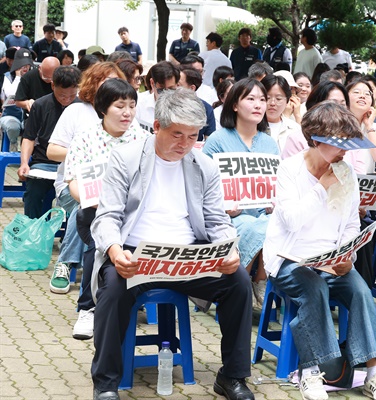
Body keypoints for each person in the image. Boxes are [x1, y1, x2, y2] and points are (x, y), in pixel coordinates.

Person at [89, 87, 255, 400]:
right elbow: (106, 217)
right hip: (136, 254)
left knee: (238, 281)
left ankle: (232, 376)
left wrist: (229, 249)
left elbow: (218, 221)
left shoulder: (203, 165)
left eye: (193, 136)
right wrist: (115, 250)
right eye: (177, 134)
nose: (185, 144)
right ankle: (106, 383)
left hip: (188, 255)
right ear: (156, 127)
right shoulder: (126, 158)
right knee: (113, 288)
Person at [263, 101, 376, 400]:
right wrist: (322, 187)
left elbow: (351, 222)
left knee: (361, 292)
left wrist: (346, 254)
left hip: (330, 259)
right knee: (314, 291)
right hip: (289, 259)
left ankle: (375, 373)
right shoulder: (289, 170)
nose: (345, 152)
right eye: (339, 145)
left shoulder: (346, 171)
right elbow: (292, 221)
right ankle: (312, 373)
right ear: (317, 139)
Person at [47, 62, 126, 336]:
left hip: (118, 199)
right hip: (76, 186)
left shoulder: (131, 125)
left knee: (97, 222)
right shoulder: (77, 113)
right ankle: (68, 268)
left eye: (116, 80)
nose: (110, 85)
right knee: (86, 215)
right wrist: (85, 154)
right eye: (104, 80)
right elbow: (53, 151)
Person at [203, 78, 279, 308]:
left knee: (273, 222)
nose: (258, 105)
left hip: (263, 213)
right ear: (234, 105)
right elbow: (203, 184)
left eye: (262, 100)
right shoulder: (217, 140)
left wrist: (273, 202)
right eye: (251, 99)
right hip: (228, 217)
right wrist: (224, 204)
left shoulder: (269, 143)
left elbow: (277, 184)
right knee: (253, 225)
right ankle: (245, 283)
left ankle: (256, 281)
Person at [17, 65, 81, 219]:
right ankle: (34, 232)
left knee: (79, 198)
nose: (66, 100)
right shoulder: (40, 105)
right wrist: (24, 163)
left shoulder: (82, 106)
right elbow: (29, 137)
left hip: (73, 164)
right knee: (33, 193)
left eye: (71, 96)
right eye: (62, 95)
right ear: (53, 85)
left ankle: (71, 236)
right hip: (43, 163)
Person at [1, 47, 32, 152]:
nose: (25, 68)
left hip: (29, 117)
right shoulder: (8, 77)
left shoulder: (33, 76)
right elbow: (12, 95)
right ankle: (13, 146)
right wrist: (18, 77)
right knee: (13, 126)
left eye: (27, 65)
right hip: (10, 115)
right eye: (22, 64)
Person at [135, 61, 179, 132]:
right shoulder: (139, 106)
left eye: (171, 89)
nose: (166, 94)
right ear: (152, 83)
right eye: (161, 90)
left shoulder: (184, 107)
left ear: (177, 85)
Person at [262, 74, 302, 151]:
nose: (272, 103)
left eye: (278, 99)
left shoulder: (295, 128)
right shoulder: (250, 127)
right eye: (268, 98)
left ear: (287, 101)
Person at [178, 65, 216, 139]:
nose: (173, 88)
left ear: (192, 88)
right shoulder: (166, 104)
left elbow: (209, 139)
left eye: (178, 85)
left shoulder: (206, 109)